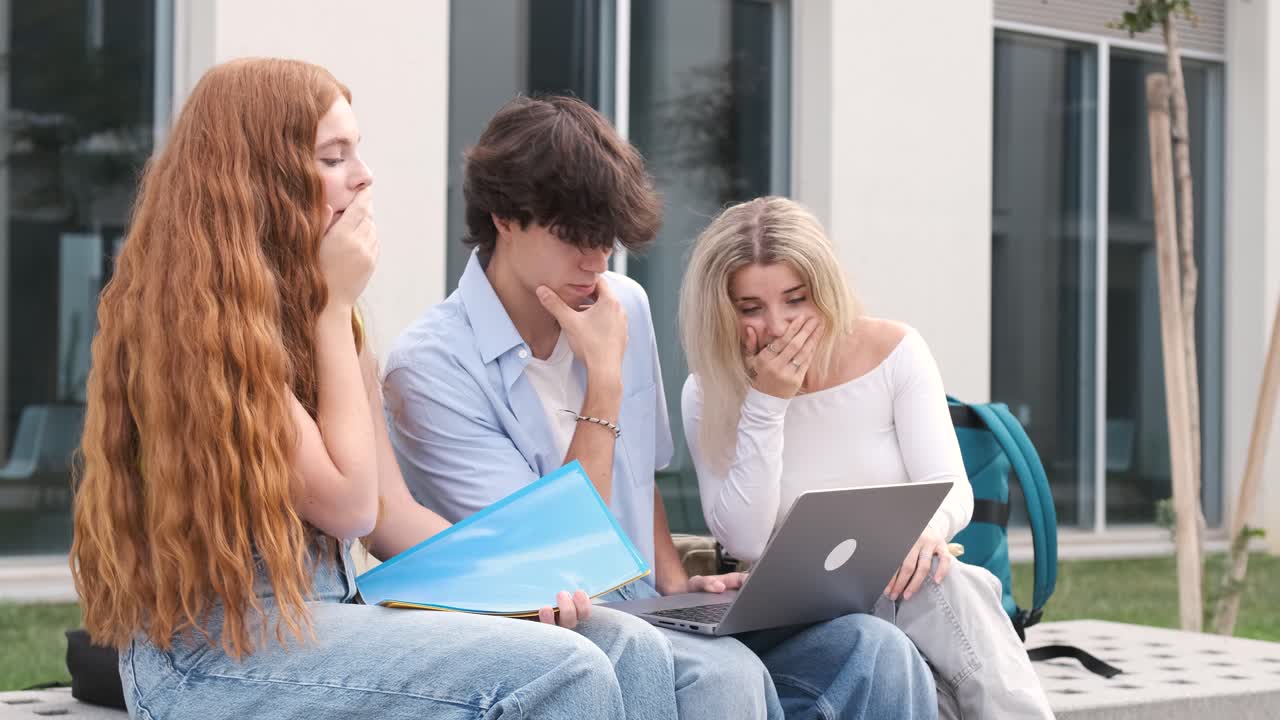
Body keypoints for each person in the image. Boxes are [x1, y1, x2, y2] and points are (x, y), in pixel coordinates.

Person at [70, 58, 679, 720]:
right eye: (334, 157)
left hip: (329, 619)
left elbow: (391, 517)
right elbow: (350, 507)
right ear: (260, 178)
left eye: (357, 151)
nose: (364, 175)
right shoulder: (195, 327)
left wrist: (518, 586)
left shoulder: (321, 315)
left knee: (631, 646)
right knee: (565, 669)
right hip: (213, 653)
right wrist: (334, 309)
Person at [383, 94, 938, 720]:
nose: (596, 262)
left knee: (874, 649)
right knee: (723, 677)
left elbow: (640, 477)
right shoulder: (431, 368)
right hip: (552, 631)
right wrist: (604, 380)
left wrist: (676, 583)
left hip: (650, 610)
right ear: (504, 218)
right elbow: (551, 557)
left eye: (606, 240)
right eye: (572, 238)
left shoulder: (623, 301)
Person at [678, 195, 1057, 719]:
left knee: (941, 582)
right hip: (793, 618)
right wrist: (766, 404)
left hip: (900, 592)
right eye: (751, 308)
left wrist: (925, 534)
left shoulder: (894, 351)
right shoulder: (707, 391)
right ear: (723, 311)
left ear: (824, 291)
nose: (778, 326)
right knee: (939, 600)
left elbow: (951, 486)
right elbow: (745, 540)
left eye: (795, 300)